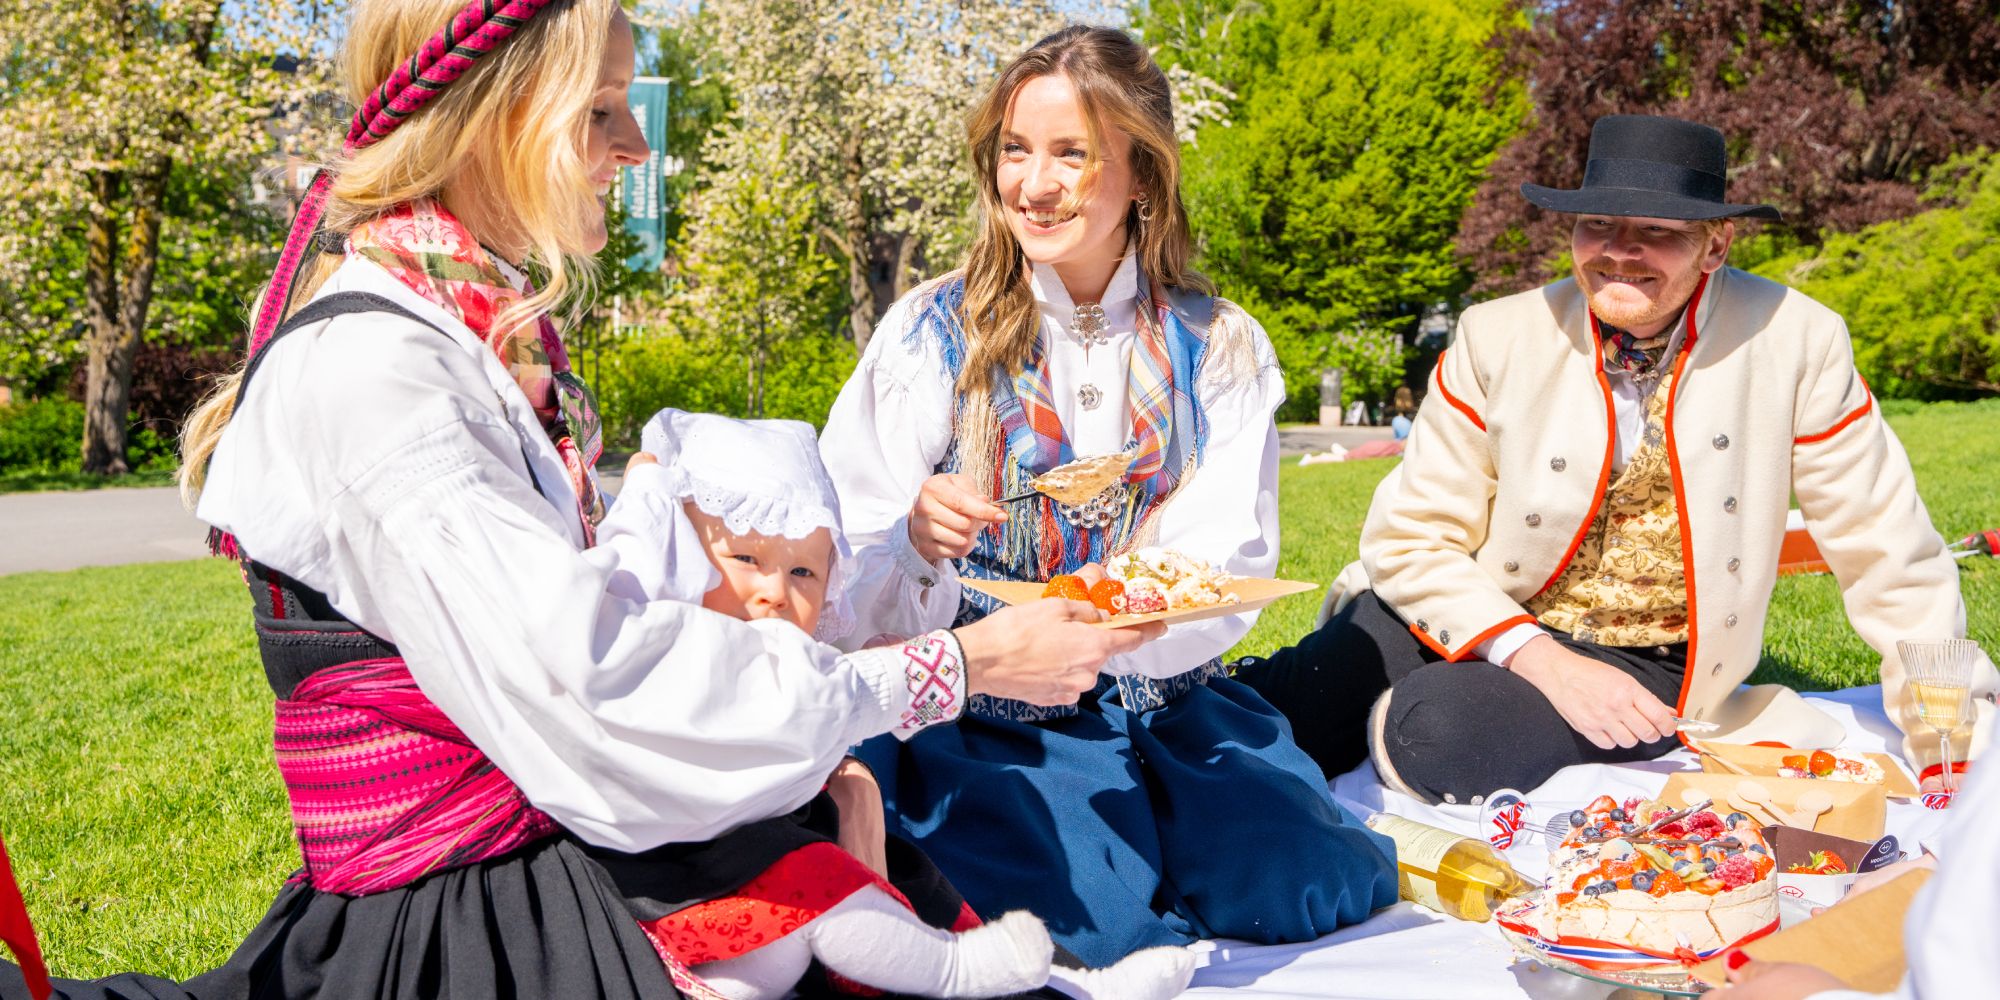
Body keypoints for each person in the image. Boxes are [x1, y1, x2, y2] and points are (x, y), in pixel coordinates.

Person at [0, 3, 1153, 998]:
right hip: (474, 913)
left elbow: (605, 640)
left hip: (527, 859)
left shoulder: (456, 335)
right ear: (502, 115)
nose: (632, 142)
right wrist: (956, 665)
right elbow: (593, 689)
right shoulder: (380, 374)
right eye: (600, 110)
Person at [819, 24, 1398, 969]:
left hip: (1160, 696)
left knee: (1304, 882)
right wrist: (914, 538)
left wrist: (1120, 621)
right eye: (1015, 150)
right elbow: (841, 551)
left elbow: (1228, 549)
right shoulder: (930, 330)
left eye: (1071, 155)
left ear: (1142, 175)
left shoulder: (1221, 343)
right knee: (1087, 929)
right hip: (987, 710)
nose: (1032, 185)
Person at [1233, 114, 1995, 807]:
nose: (1619, 252)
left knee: (1435, 733)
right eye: (1598, 224)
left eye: (1657, 232)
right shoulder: (1497, 335)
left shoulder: (1798, 340)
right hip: (1490, 609)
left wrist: (1947, 729)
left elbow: (1885, 545)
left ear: (1717, 244)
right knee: (1283, 707)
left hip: (1652, 656)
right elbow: (1411, 538)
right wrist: (1535, 657)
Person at [611, 410, 1192, 1000]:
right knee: (827, 887)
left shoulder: (794, 654)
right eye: (745, 561)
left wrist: (894, 672)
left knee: (916, 883)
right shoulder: (675, 654)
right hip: (694, 894)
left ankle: (1065, 987)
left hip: (776, 875)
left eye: (804, 570)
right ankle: (956, 974)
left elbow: (850, 692)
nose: (776, 592)